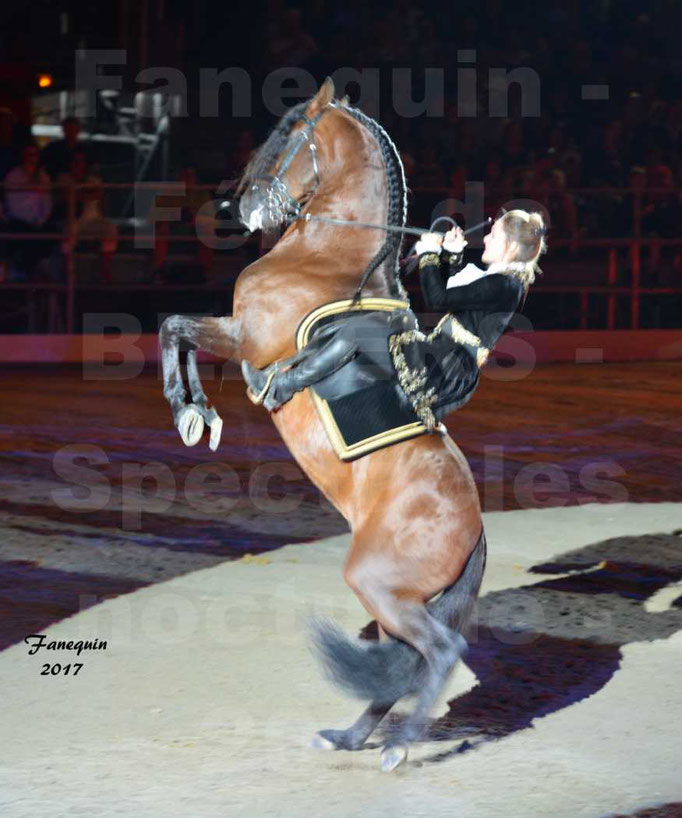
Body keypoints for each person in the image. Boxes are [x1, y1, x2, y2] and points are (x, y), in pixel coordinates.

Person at [241, 209, 547, 425]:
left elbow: (439, 300)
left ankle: (281, 388)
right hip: (441, 353)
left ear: (508, 245)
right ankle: (288, 374)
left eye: (493, 236)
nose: (487, 240)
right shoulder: (503, 281)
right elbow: (461, 295)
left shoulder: (504, 284)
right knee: (384, 320)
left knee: (361, 333)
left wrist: (429, 254)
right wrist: (451, 254)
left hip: (446, 367)